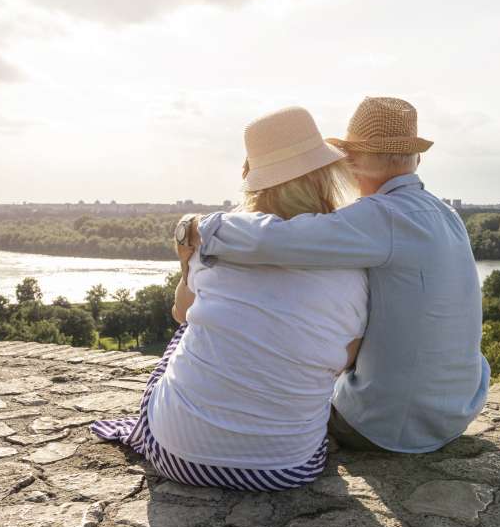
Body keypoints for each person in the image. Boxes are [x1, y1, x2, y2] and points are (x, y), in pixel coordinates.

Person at [187, 96, 490, 453]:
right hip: (457, 411)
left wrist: (201, 228)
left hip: (390, 424)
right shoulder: (446, 215)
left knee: (295, 394)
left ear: (353, 161)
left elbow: (278, 240)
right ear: (416, 158)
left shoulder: (382, 216)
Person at [90, 106, 368, 491]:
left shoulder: (219, 242)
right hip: (287, 468)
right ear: (324, 177)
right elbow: (345, 360)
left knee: (186, 332)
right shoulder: (351, 262)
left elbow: (181, 312)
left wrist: (186, 262)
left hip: (177, 456)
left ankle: (176, 427)